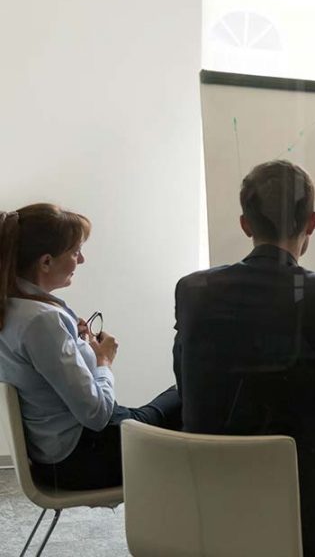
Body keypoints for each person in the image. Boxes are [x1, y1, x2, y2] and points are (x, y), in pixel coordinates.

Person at [173, 160, 315, 557]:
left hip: (208, 509)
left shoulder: (194, 289)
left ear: (246, 224)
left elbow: (186, 377)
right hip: (300, 519)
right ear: (311, 223)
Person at [0, 204, 181, 491]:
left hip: (58, 451)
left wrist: (75, 342)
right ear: (45, 262)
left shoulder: (16, 307)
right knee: (191, 397)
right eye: (74, 252)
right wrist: (104, 362)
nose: (81, 260)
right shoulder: (42, 321)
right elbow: (97, 415)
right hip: (82, 457)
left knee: (182, 398)